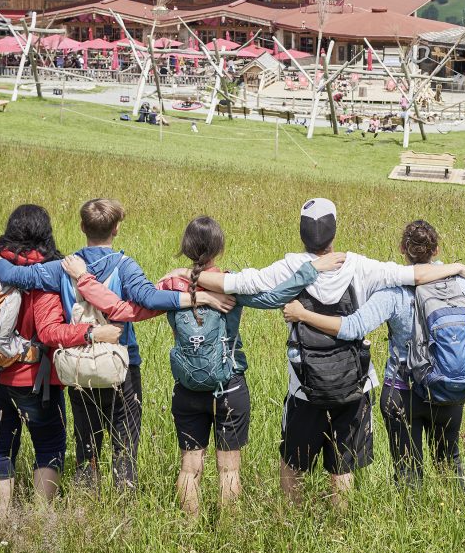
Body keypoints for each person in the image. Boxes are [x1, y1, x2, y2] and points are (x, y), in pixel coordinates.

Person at [186, 198, 465, 506]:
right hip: (353, 384)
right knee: (343, 467)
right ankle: (341, 522)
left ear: (301, 233)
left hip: (303, 386)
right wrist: (455, 267)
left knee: (293, 463)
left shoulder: (291, 267)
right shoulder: (360, 266)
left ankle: (289, 517)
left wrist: (190, 275)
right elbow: (413, 276)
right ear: (334, 232)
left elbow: (237, 282)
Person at [0, 198, 226, 492]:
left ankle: (86, 505)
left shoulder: (62, 267)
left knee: (87, 449)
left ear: (82, 227)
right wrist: (194, 295)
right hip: (122, 367)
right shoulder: (125, 267)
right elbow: (149, 299)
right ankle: (122, 508)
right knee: (125, 448)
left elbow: (12, 275)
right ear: (117, 229)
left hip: (79, 367)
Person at [283, 219, 465, 488]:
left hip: (402, 390)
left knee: (408, 472)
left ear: (403, 249)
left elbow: (352, 328)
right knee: (450, 463)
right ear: (436, 250)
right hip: (449, 388)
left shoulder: (393, 289)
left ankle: (411, 522)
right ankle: (459, 516)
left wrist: (304, 314)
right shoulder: (461, 284)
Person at [147, 216, 346, 515]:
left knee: (189, 468)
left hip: (186, 387)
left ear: (186, 247)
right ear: (219, 247)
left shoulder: (170, 284)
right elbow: (274, 297)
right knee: (229, 471)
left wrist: (186, 284)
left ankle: (188, 531)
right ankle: (228, 534)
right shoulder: (229, 283)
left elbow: (145, 298)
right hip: (229, 386)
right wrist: (310, 270)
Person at [0, 204, 116, 515]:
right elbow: (51, 333)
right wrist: (93, 332)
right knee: (49, 446)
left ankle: (1, 520)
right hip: (33, 380)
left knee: (0, 445)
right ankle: (39, 523)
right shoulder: (47, 274)